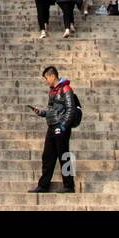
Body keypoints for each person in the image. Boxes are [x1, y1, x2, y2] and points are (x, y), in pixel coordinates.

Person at [28, 66, 78, 194]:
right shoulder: (52, 91)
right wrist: (41, 112)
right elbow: (52, 111)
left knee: (64, 155)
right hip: (51, 127)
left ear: (52, 76)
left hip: (61, 127)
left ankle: (69, 186)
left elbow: (71, 109)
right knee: (47, 156)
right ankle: (43, 185)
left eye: (46, 78)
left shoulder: (65, 89)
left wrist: (63, 126)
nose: (46, 81)